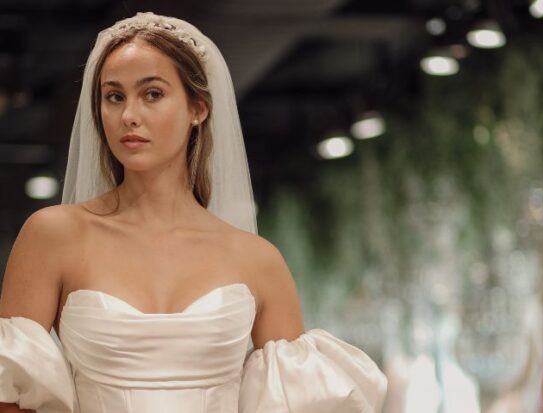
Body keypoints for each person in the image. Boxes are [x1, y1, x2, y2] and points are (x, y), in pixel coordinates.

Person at [0, 12, 387, 413]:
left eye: (152, 94)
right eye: (114, 96)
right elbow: (9, 397)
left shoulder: (257, 260)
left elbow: (296, 402)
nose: (129, 114)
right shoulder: (55, 235)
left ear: (198, 108)